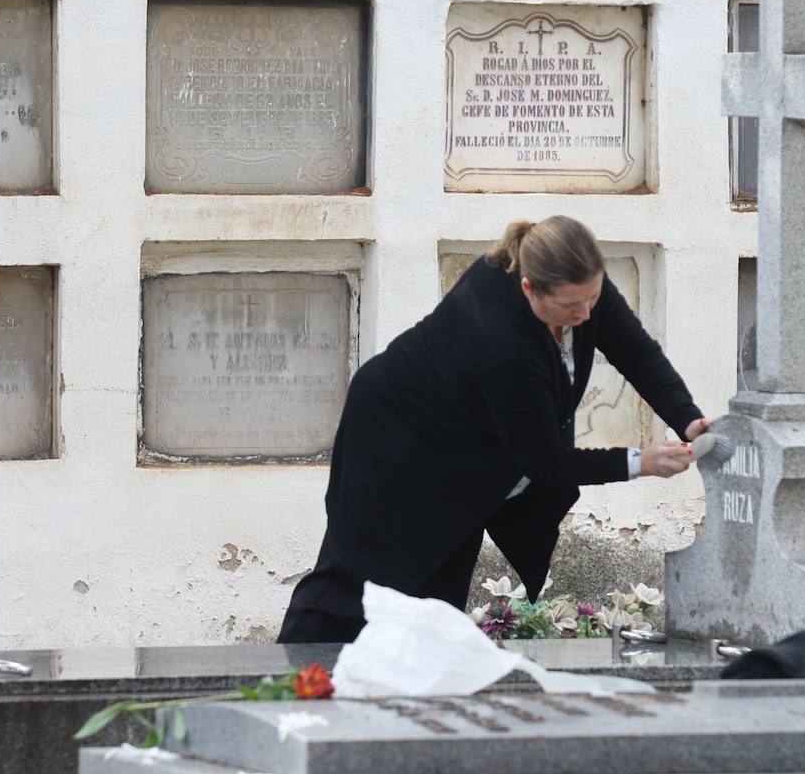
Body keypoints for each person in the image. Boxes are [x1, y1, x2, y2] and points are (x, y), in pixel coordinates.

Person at [278, 215, 709, 644]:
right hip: (395, 441)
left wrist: (688, 419)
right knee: (361, 576)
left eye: (593, 299)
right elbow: (542, 461)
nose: (585, 314)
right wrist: (641, 462)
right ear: (529, 288)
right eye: (570, 307)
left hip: (468, 451)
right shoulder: (502, 342)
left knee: (441, 579)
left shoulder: (577, 280)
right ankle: (290, 674)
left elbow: (636, 351)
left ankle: (412, 694)